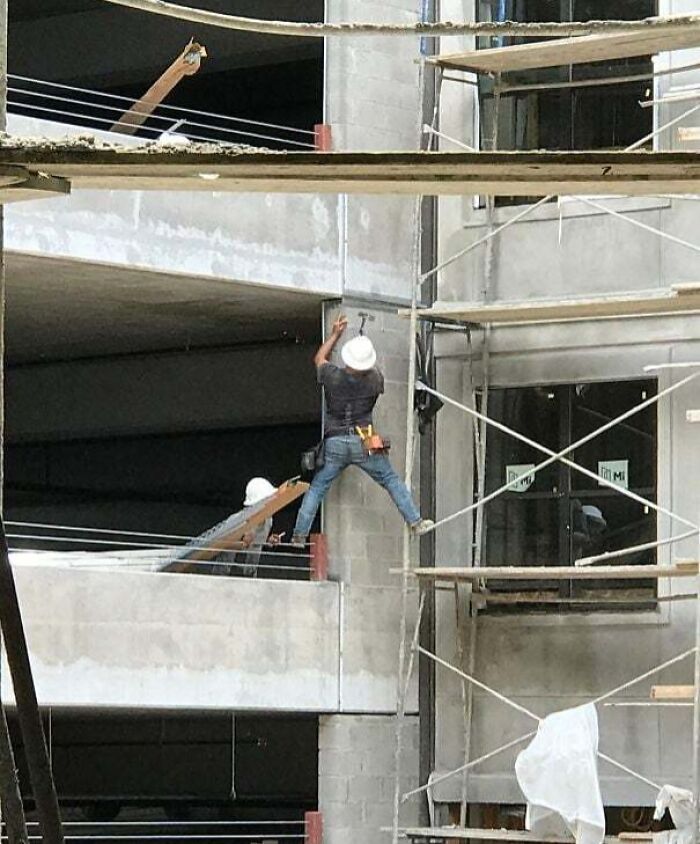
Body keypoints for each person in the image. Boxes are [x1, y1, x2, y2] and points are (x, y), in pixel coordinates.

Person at [291, 315, 433, 546]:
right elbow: (371, 370)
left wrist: (336, 334)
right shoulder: (375, 380)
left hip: (335, 442)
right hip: (364, 441)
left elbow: (318, 358)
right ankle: (415, 522)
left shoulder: (332, 376)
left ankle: (299, 535)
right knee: (389, 479)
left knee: (317, 488)